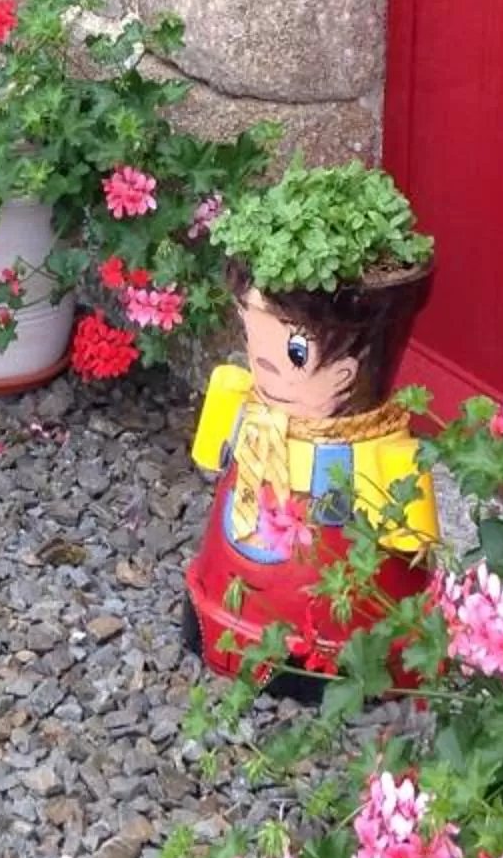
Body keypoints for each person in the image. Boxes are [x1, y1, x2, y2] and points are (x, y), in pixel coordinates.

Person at [184, 271, 438, 690]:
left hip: (335, 607)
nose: (264, 363)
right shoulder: (247, 412)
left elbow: (413, 540)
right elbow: (211, 452)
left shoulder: (382, 456)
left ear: (345, 374)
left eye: (296, 352)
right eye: (250, 334)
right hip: (228, 575)